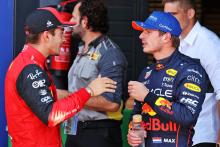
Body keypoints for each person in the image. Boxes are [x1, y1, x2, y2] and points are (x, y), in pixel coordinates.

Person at [4, 7, 117, 147]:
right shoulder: (30, 68)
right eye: (61, 33)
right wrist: (89, 91)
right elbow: (51, 115)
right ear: (46, 36)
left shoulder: (28, 62)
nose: (64, 39)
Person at [127, 11, 208, 147]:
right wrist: (135, 131)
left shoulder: (190, 69)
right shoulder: (146, 72)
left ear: (166, 37)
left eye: (148, 31)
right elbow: (137, 114)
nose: (141, 36)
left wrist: (148, 96)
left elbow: (187, 116)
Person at [63, 0, 127, 147]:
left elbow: (111, 103)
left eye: (73, 17)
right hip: (74, 129)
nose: (70, 22)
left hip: (98, 133)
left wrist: (69, 98)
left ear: (84, 22)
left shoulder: (109, 53)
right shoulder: (81, 49)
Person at [163, 0, 220, 146]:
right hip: (177, 136)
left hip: (203, 137)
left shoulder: (210, 44)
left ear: (190, 13)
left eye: (173, 14)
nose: (168, 20)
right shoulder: (174, 42)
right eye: (166, 15)